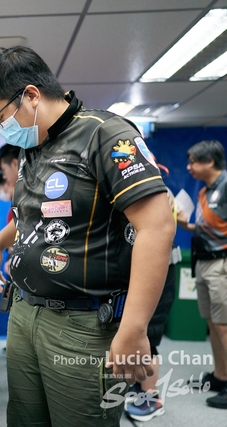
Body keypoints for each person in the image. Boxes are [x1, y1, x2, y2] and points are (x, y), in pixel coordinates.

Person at [0, 46, 175, 426]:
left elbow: (158, 225)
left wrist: (133, 327)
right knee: (23, 418)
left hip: (81, 324)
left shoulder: (105, 134)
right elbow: (35, 216)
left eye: (1, 116)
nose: (1, 128)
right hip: (23, 312)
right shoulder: (32, 147)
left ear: (31, 95)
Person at [124, 164, 181, 421]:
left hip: (160, 272)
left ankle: (151, 398)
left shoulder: (158, 193)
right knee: (136, 333)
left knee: (150, 334)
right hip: (141, 270)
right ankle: (138, 389)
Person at [177, 140, 227, 409]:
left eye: (194, 161)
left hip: (222, 265)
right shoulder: (205, 192)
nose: (189, 167)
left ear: (209, 162)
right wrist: (185, 223)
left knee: (224, 325)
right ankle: (221, 376)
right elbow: (207, 228)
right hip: (203, 262)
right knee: (213, 323)